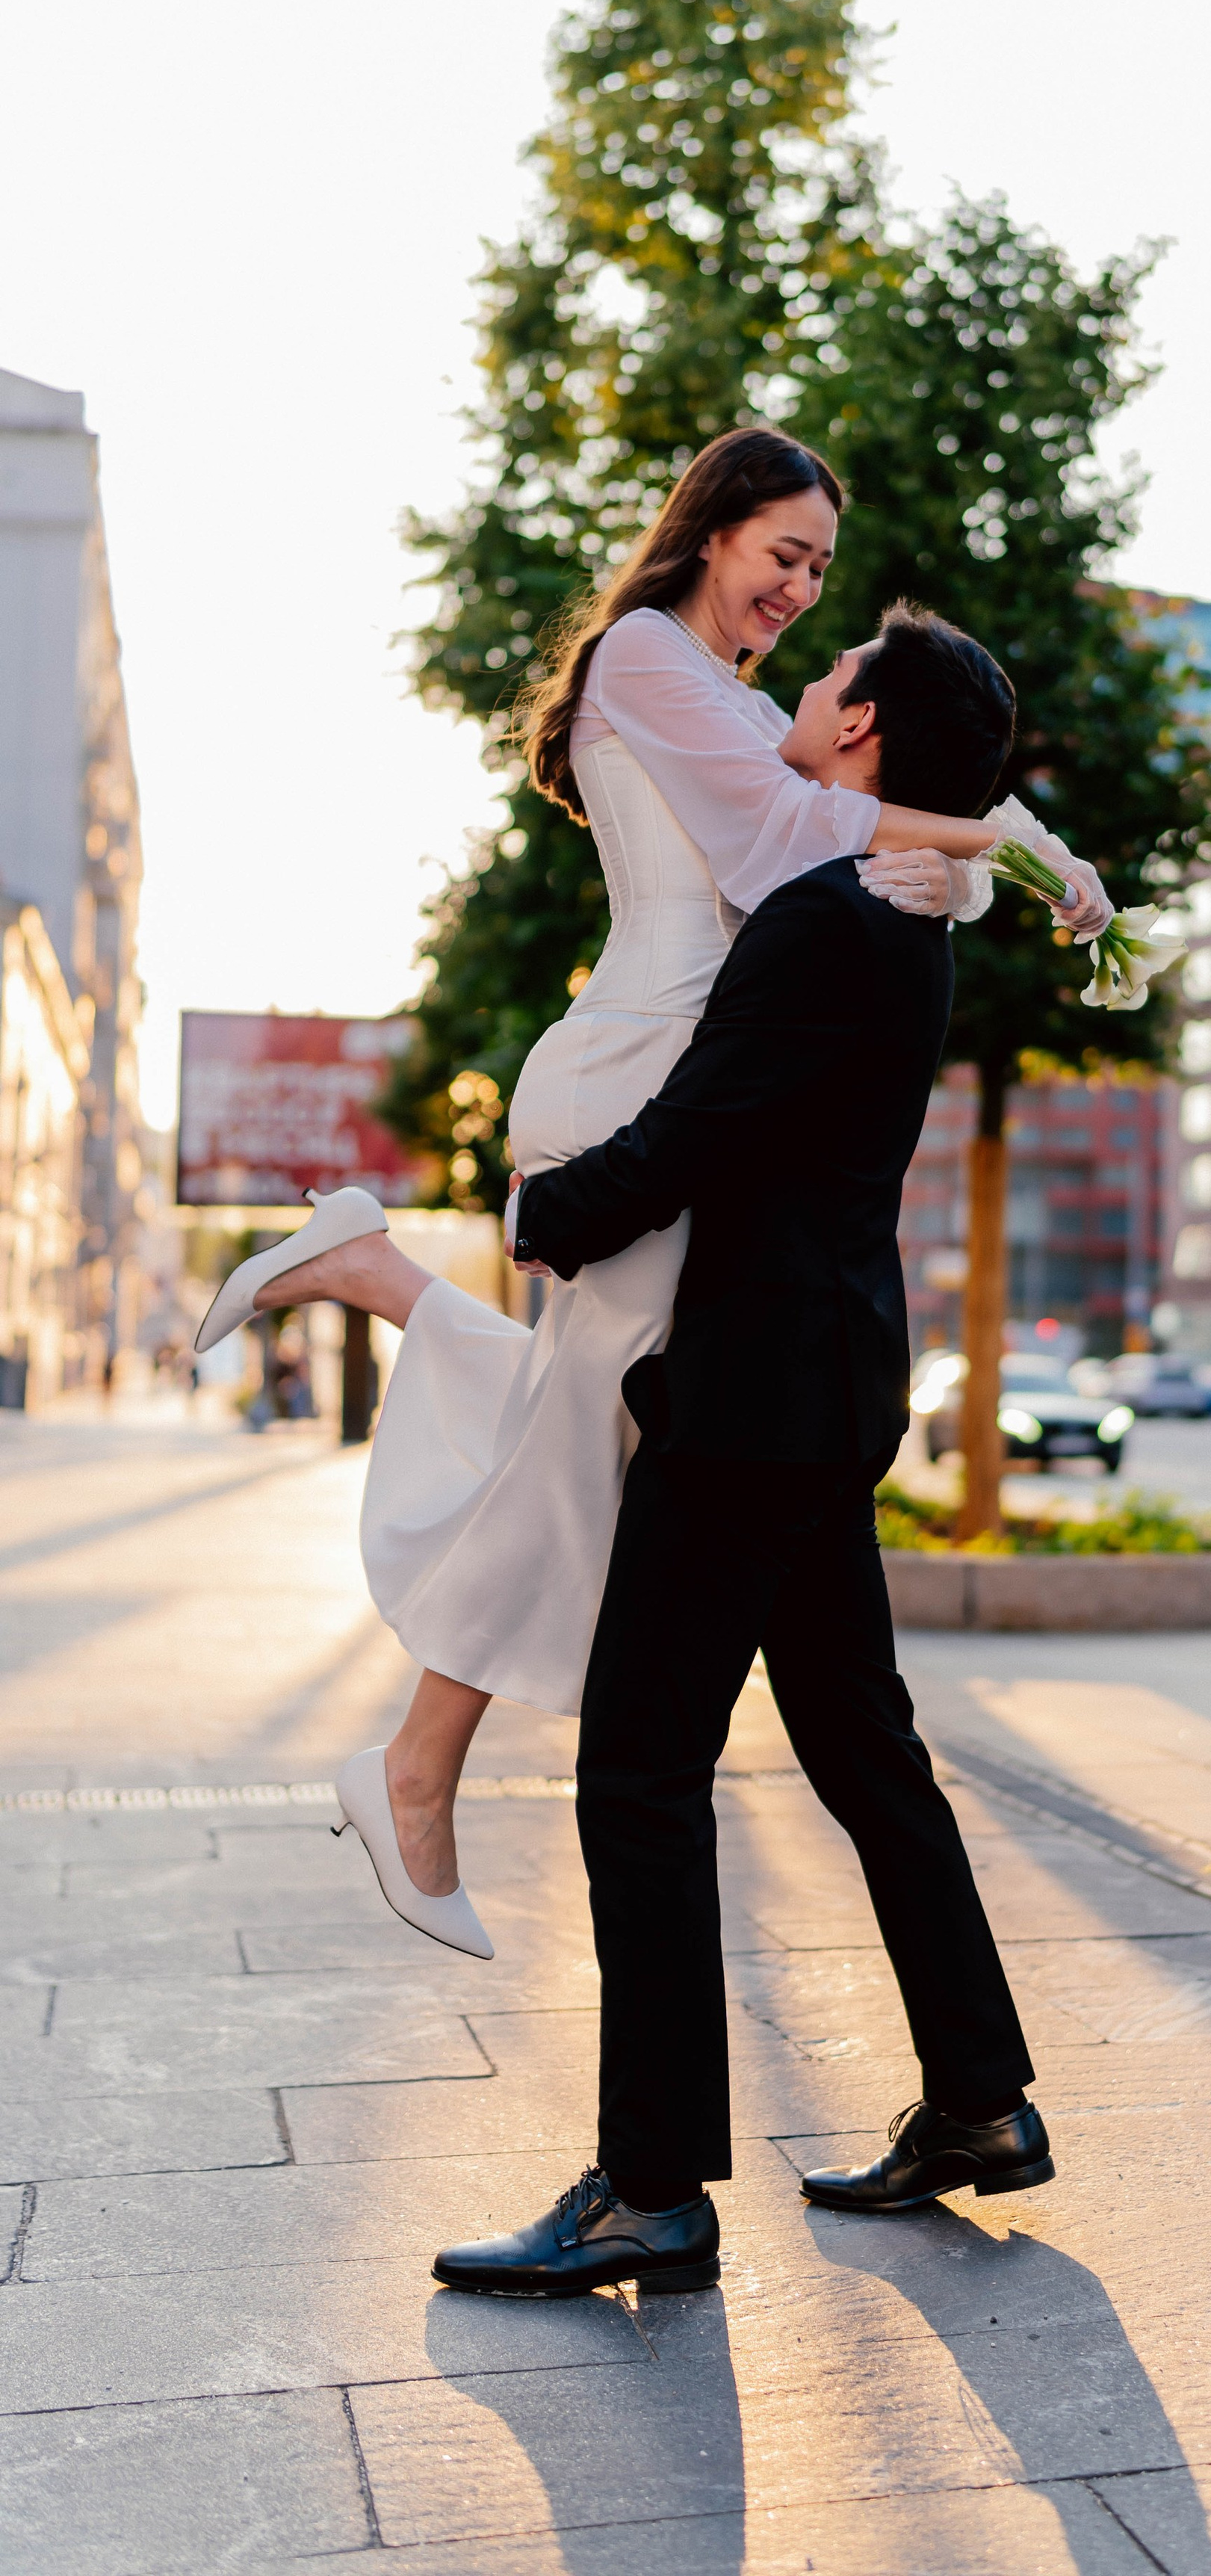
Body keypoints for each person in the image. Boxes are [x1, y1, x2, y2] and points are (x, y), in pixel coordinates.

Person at [193, 428, 1109, 1958]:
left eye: (820, 570)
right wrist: (997, 837)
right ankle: (415, 1771)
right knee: (583, 1438)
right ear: (708, 530)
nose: (799, 591)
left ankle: (381, 1293)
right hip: (630, 1077)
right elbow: (783, 840)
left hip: (677, 1083)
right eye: (783, 554)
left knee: (601, 1421)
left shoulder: (753, 708)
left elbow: (846, 851)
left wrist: (982, 858)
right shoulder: (643, 657)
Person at [430, 608, 1050, 2301]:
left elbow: (703, 1123)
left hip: (751, 1408)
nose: (809, 676)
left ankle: (650, 2189)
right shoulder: (902, 916)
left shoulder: (826, 920)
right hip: (828, 1389)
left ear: (857, 732)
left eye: (836, 664)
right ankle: (980, 2101)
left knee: (637, 1774)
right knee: (863, 1750)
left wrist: (547, 1212)